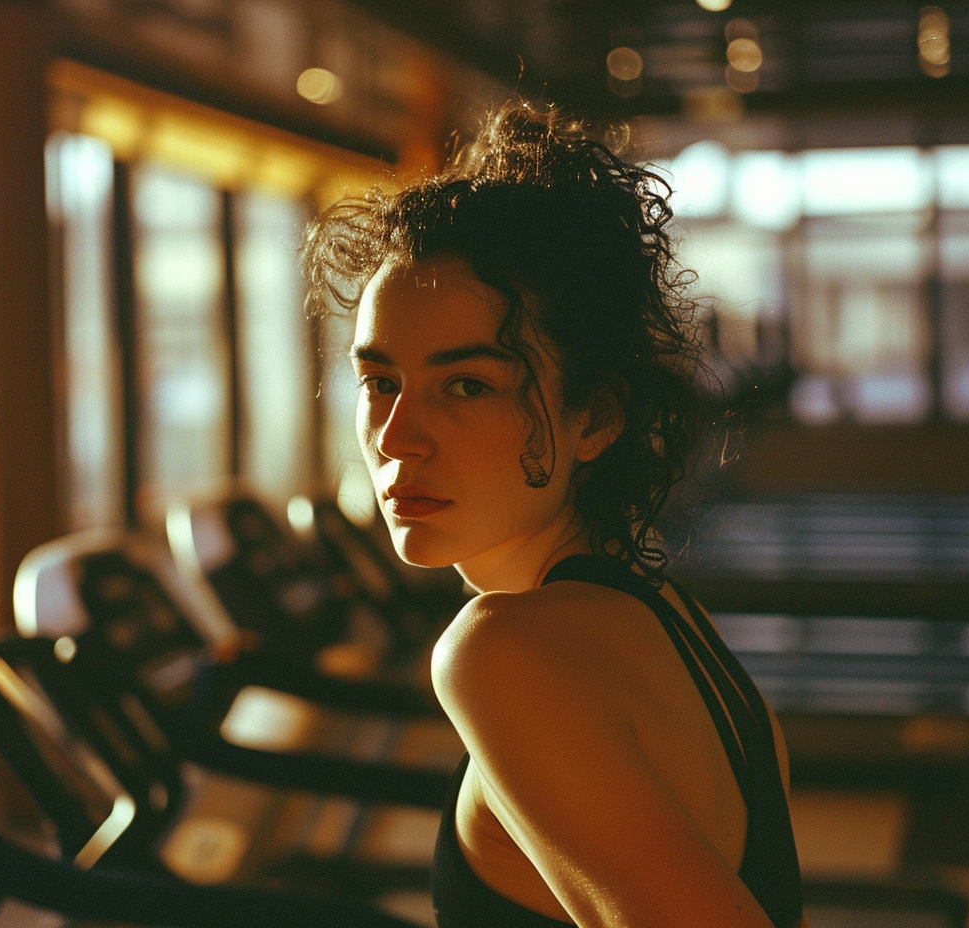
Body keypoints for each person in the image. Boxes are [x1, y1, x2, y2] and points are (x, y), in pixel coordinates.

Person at [303, 101, 805, 928]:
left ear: (596, 420)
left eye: (467, 386)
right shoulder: (661, 613)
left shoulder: (500, 649)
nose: (397, 439)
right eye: (380, 382)